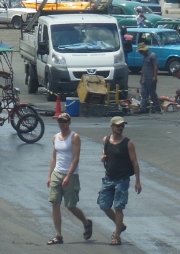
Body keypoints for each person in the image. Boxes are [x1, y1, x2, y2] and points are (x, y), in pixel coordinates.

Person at [46, 113, 92, 245]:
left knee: (71, 206)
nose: (62, 124)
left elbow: (76, 159)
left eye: (64, 122)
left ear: (69, 123)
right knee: (55, 203)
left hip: (71, 175)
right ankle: (58, 235)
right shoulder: (55, 137)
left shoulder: (74, 137)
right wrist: (50, 175)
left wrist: (69, 176)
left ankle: (86, 222)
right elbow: (54, 157)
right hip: (57, 173)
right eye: (60, 121)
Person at [98, 117, 141, 246]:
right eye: (117, 126)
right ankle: (120, 224)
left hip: (122, 180)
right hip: (108, 178)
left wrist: (137, 181)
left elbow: (135, 162)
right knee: (104, 205)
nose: (120, 128)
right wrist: (103, 157)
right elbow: (105, 152)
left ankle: (116, 235)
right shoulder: (106, 140)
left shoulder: (128, 143)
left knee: (118, 207)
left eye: (122, 125)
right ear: (112, 126)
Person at [138, 44, 161, 113]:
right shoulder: (144, 57)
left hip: (150, 77)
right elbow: (143, 68)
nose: (140, 53)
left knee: (152, 93)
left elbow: (155, 66)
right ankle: (142, 108)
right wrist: (141, 77)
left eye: (141, 51)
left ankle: (157, 107)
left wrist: (155, 76)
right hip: (144, 78)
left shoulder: (152, 56)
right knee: (144, 93)